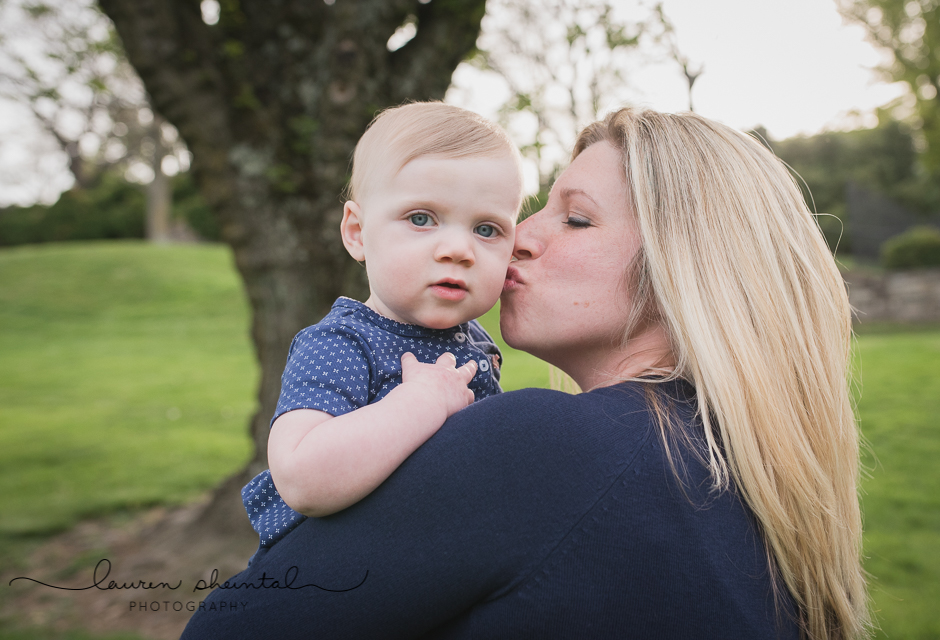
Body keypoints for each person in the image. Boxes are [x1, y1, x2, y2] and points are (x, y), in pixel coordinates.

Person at [182, 108, 869, 640]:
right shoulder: (736, 473)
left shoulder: (550, 447)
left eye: (574, 218)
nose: (521, 238)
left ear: (682, 270)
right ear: (357, 229)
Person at [241, 102, 522, 548]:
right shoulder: (343, 343)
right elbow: (300, 478)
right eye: (421, 219)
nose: (458, 249)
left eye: (487, 230)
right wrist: (419, 404)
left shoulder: (476, 344)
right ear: (356, 232)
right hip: (333, 583)